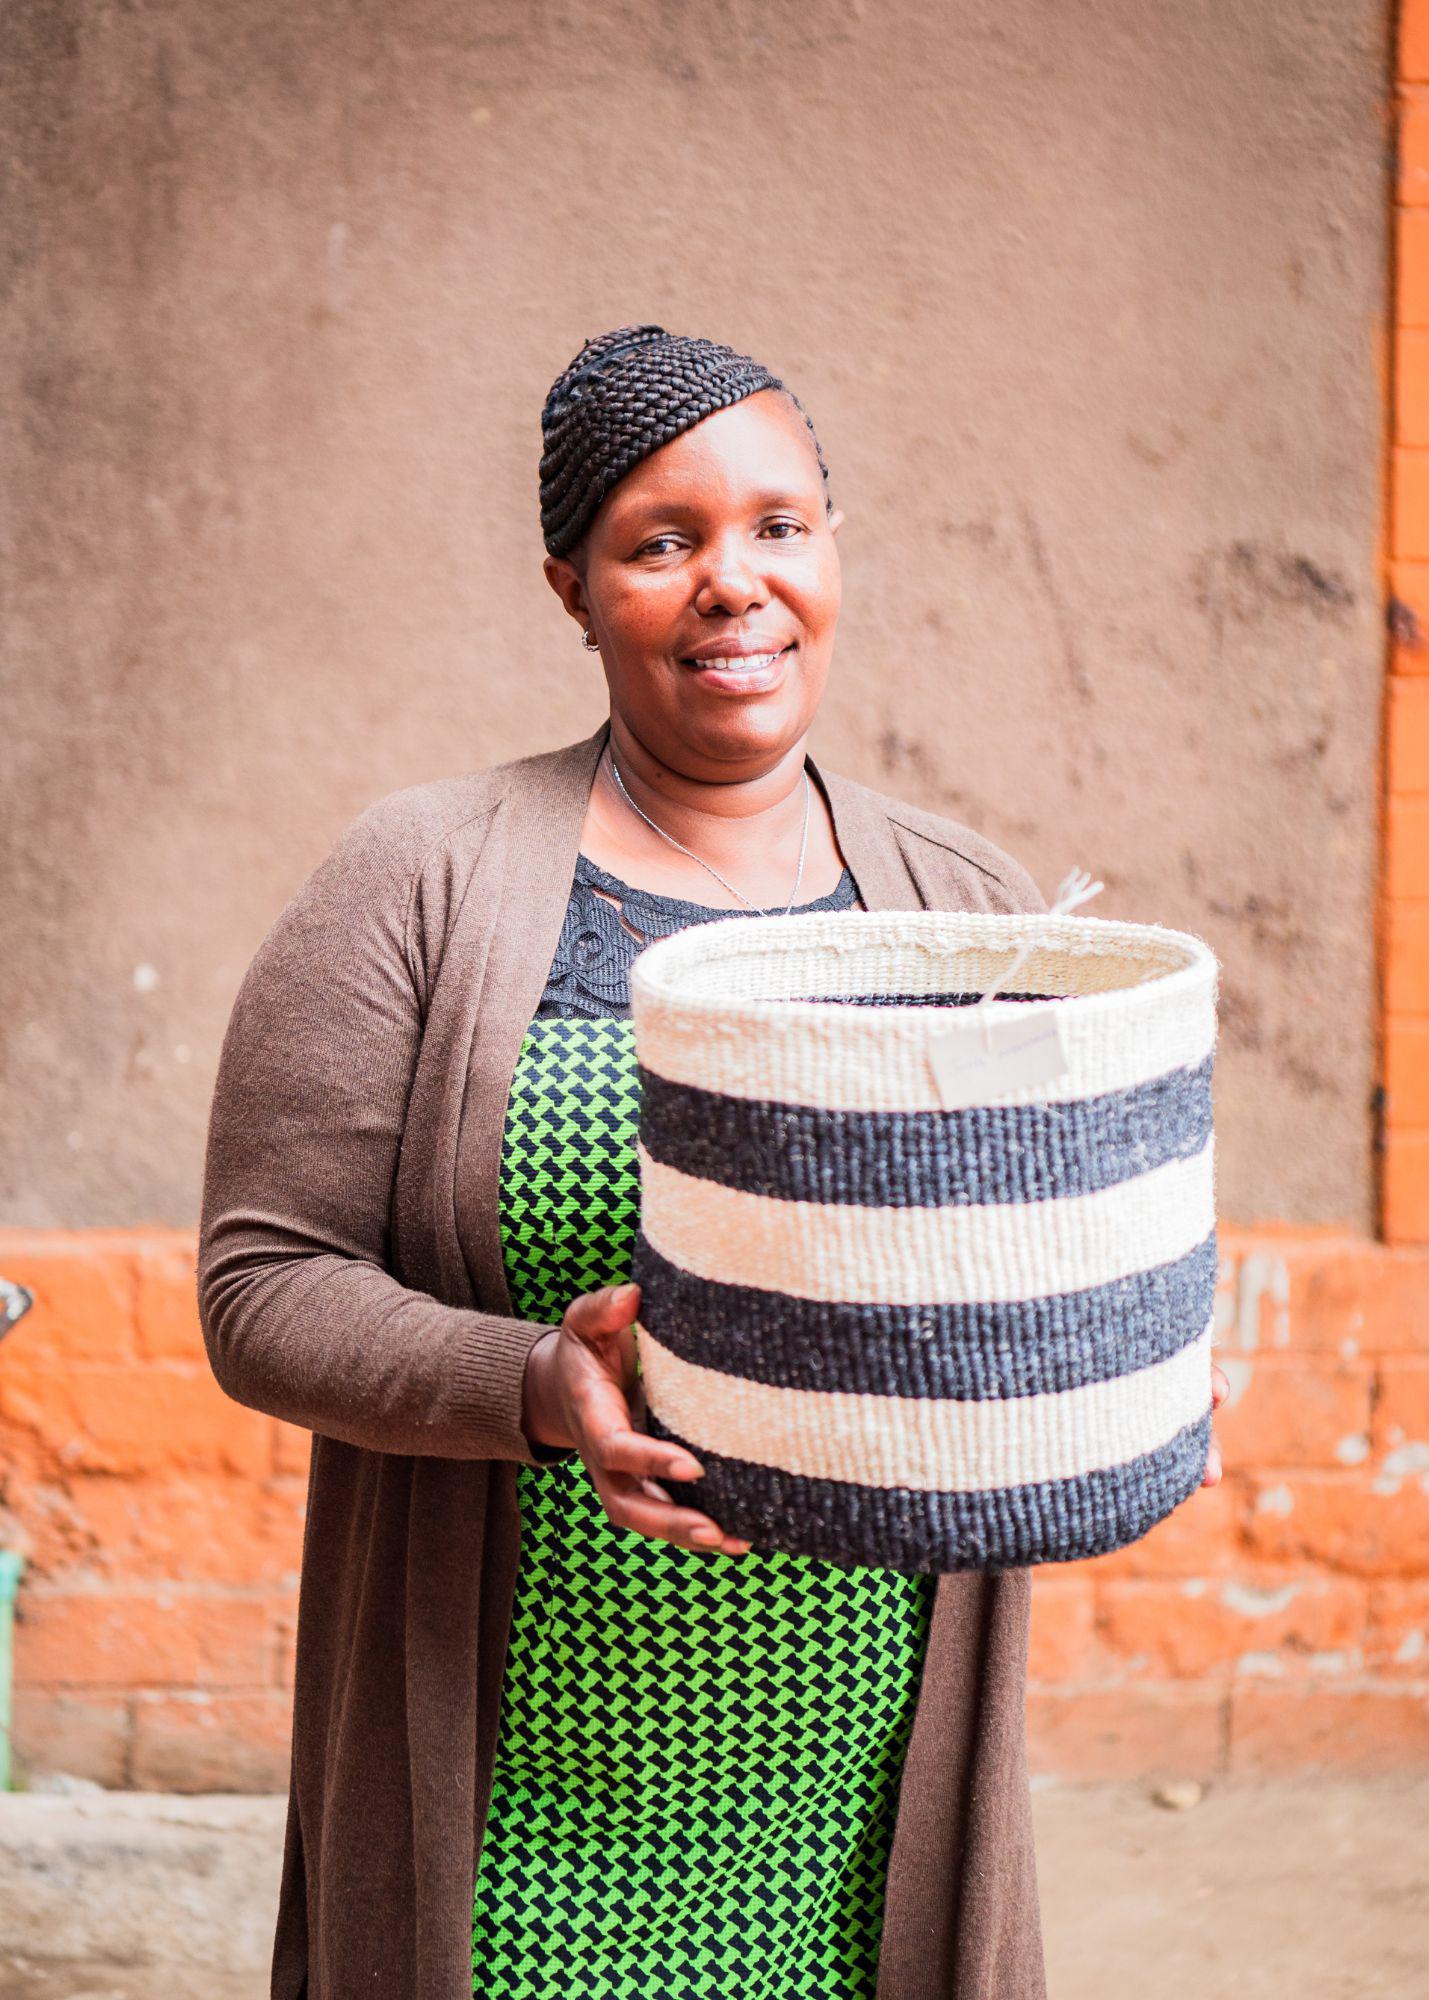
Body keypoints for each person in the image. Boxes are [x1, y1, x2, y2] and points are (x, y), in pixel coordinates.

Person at [198, 324, 1228, 2000]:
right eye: (660, 542)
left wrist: (1127, 1348)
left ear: (831, 551)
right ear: (571, 585)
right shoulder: (416, 883)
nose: (730, 584)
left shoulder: (959, 900)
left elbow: (1047, 1240)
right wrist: (537, 1384)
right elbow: (262, 1291)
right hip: (512, 1799)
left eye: (777, 526)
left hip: (861, 1789)